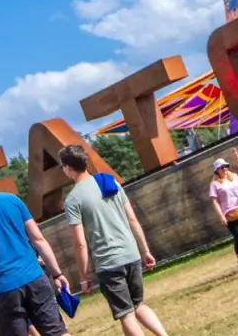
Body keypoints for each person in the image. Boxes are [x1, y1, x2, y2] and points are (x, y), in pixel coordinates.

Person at [56, 144, 169, 336]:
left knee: (126, 314)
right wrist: (145, 251)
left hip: (109, 263)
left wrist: (83, 276)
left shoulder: (73, 200)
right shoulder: (110, 182)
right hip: (131, 254)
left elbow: (80, 243)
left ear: (68, 167)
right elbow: (133, 219)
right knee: (138, 305)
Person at [0, 162, 71, 336]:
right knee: (58, 333)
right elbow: (39, 239)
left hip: (3, 290)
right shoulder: (12, 200)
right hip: (34, 277)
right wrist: (57, 273)